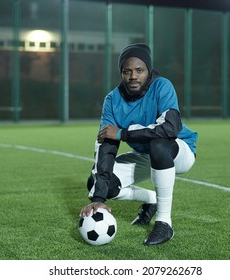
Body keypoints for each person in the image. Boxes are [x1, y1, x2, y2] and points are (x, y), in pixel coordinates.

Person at [79, 43, 198, 246]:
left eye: (139, 70)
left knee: (159, 144)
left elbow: (170, 129)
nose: (133, 76)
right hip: (147, 153)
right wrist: (99, 198)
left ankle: (164, 223)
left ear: (148, 71)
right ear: (122, 73)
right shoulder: (112, 100)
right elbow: (107, 144)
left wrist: (124, 133)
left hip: (179, 150)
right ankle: (151, 199)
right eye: (127, 71)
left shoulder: (162, 86)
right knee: (98, 183)